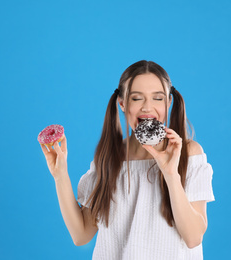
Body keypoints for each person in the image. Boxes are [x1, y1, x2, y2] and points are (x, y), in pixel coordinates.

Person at [40, 60, 215, 260]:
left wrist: (170, 173)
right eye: (136, 98)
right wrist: (60, 175)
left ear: (168, 103)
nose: (147, 107)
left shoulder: (188, 154)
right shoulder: (109, 158)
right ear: (122, 104)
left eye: (158, 98)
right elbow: (81, 234)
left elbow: (193, 238)